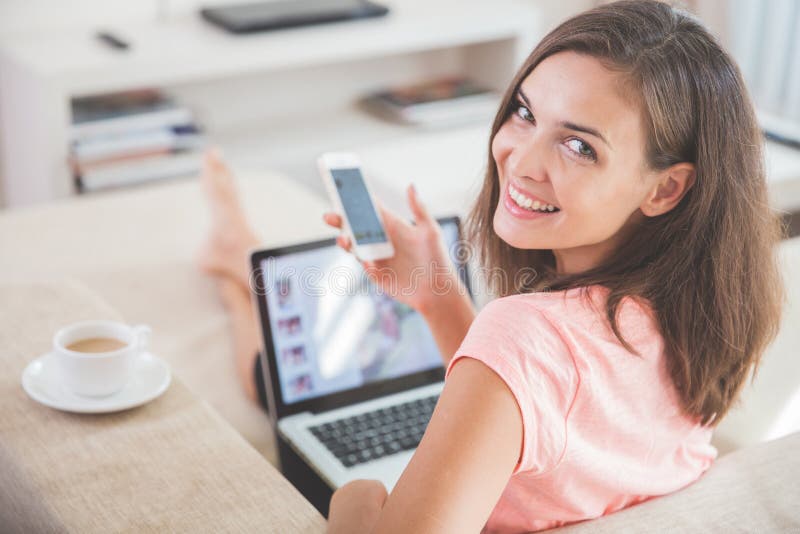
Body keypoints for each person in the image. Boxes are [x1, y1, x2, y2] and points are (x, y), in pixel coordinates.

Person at [199, 1, 784, 532]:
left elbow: (533, 363)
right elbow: (542, 405)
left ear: (666, 188)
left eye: (580, 146)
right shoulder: (702, 315)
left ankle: (233, 256)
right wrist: (437, 297)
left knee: (268, 383)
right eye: (526, 112)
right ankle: (234, 265)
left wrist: (355, 499)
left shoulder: (528, 333)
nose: (520, 159)